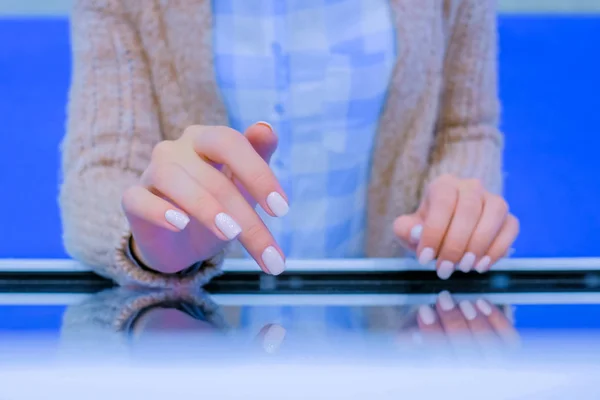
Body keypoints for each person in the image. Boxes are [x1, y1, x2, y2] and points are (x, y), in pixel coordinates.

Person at [59, 0, 519, 288]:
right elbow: (99, 172)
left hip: (393, 344)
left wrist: (457, 205)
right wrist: (151, 240)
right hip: (199, 347)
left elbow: (464, 128)